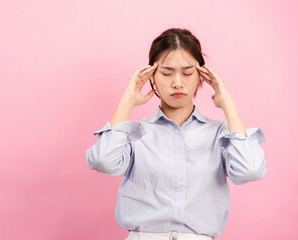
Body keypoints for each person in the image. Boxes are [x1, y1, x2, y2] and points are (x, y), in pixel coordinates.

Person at [86, 28, 267, 240]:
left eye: (188, 72)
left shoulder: (220, 133)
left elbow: (250, 171)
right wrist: (127, 101)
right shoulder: (136, 133)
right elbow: (102, 161)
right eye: (166, 72)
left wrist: (227, 103)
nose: (177, 83)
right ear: (151, 75)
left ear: (201, 76)